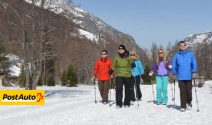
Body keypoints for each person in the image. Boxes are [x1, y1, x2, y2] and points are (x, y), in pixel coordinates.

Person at [172, 41, 198, 112]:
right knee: (182, 92)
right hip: (180, 77)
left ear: (186, 46)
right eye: (181, 45)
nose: (182, 46)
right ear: (179, 47)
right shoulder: (176, 55)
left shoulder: (191, 54)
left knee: (189, 92)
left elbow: (194, 63)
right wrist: (174, 73)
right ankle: (183, 106)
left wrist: (194, 71)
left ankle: (189, 102)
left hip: (189, 76)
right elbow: (174, 65)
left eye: (184, 45)